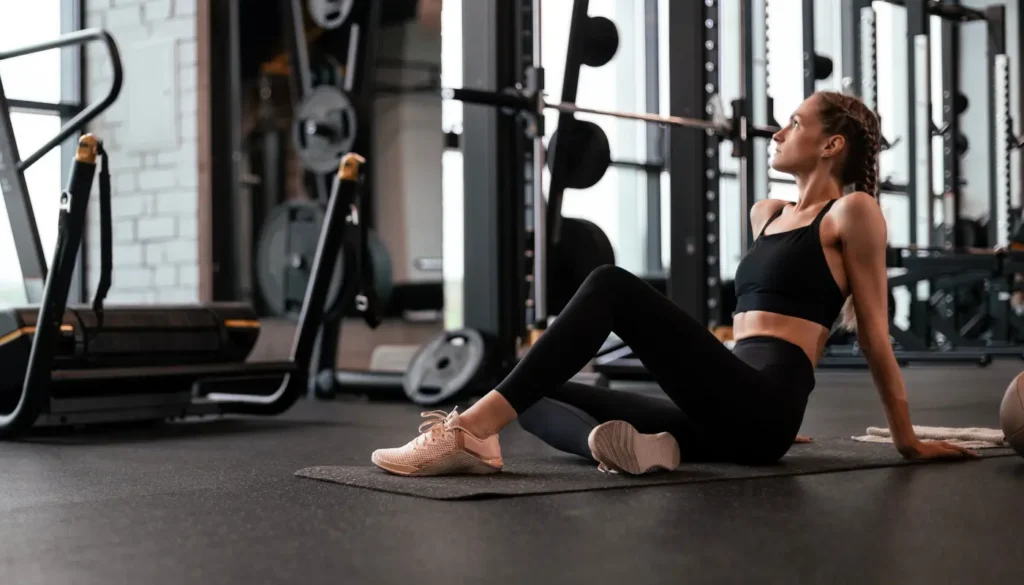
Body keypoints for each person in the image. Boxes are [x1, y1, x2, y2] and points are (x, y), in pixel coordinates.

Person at [370, 91, 980, 477]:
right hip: (727, 402)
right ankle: (651, 450)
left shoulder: (854, 213)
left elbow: (874, 332)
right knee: (534, 396)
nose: (777, 132)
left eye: (793, 123)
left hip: (766, 408)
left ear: (832, 144)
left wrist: (907, 440)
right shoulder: (766, 213)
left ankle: (468, 430)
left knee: (610, 283)